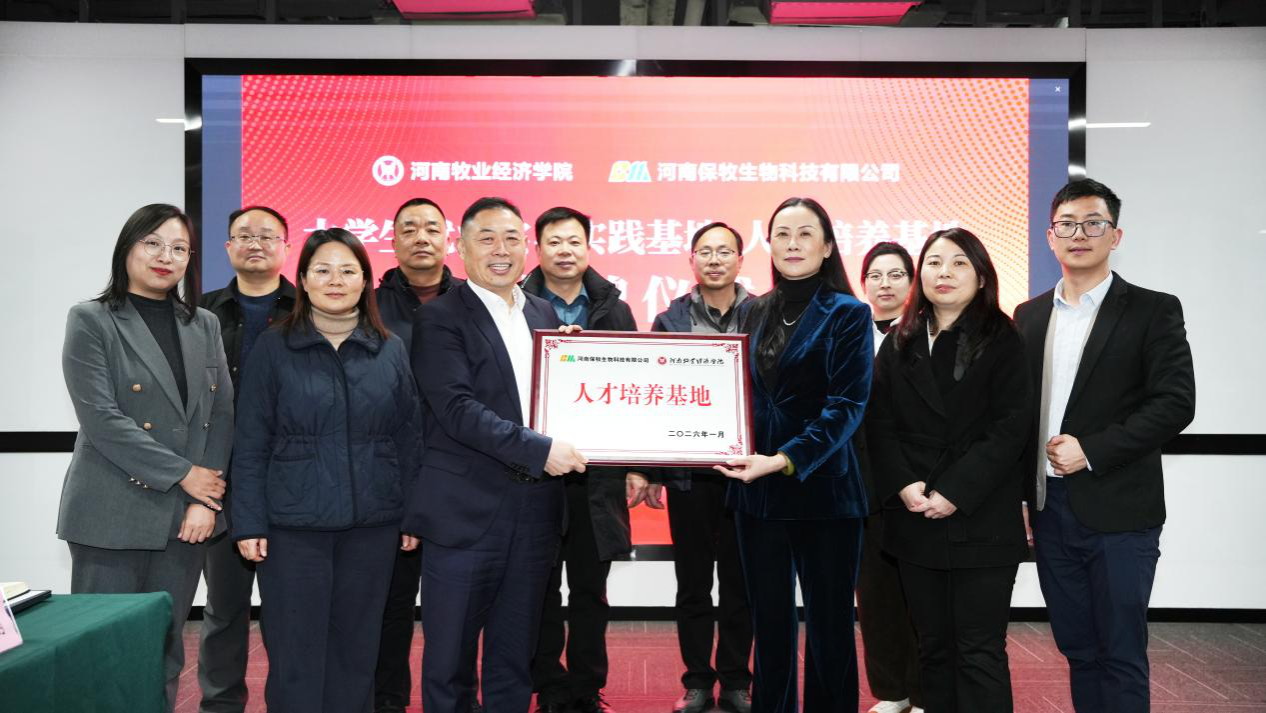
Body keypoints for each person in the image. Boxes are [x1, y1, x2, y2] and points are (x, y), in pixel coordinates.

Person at [1015, 179, 1195, 713]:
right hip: (1049, 510)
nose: (1080, 234)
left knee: (1120, 652)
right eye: (1067, 224)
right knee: (1078, 648)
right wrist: (1021, 493)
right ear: (1050, 237)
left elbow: (1175, 403)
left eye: (1093, 223)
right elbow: (1018, 416)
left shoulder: (1152, 310)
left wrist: (1091, 450)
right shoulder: (1029, 315)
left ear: (1115, 236)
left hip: (1121, 511)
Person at [406, 197, 588, 713]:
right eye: (486, 239)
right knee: (450, 662)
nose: (501, 250)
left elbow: (545, 396)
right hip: (466, 512)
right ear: (461, 249)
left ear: (527, 248)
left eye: (511, 238)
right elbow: (457, 410)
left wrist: (575, 362)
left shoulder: (542, 313)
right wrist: (540, 450)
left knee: (515, 658)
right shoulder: (439, 318)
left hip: (535, 513)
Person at [230, 228, 422, 713]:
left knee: (358, 648)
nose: (335, 280)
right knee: (295, 648)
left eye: (348, 271)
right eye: (322, 270)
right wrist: (248, 521)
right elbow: (250, 440)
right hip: (292, 527)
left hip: (373, 524)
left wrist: (414, 514)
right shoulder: (274, 347)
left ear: (365, 282)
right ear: (302, 280)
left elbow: (408, 438)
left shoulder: (389, 349)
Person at [58, 203, 233, 713]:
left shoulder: (203, 324)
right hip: (109, 512)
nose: (165, 256)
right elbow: (101, 419)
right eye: (152, 243)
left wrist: (204, 500)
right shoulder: (91, 319)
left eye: (179, 248)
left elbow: (221, 415)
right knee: (104, 651)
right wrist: (184, 475)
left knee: (164, 651)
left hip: (184, 519)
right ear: (127, 249)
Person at [716, 197, 872, 713]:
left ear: (827, 247)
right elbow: (728, 389)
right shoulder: (752, 310)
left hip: (823, 492)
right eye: (782, 234)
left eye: (805, 234)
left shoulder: (850, 313)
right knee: (769, 625)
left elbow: (847, 407)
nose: (792, 244)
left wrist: (784, 458)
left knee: (829, 627)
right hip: (757, 495)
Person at [868, 227, 1032, 713]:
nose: (945, 273)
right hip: (915, 513)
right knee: (933, 648)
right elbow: (879, 424)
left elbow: (1011, 427)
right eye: (935, 263)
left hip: (980, 516)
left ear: (981, 276)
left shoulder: (1004, 337)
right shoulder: (901, 339)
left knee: (979, 650)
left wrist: (955, 490)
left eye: (959, 263)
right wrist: (904, 484)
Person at [520, 206, 652, 713]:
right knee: (540, 588)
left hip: (599, 474)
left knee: (591, 591)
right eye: (554, 242)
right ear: (538, 249)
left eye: (574, 241)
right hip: (536, 469)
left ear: (589, 247)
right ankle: (550, 687)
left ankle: (586, 688)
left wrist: (639, 465)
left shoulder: (615, 310)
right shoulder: (518, 305)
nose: (565, 251)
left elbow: (637, 387)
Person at [197, 204, 296, 713]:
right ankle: (220, 705)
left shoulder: (307, 309)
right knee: (224, 608)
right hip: (222, 482)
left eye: (267, 235)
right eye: (244, 235)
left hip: (292, 484)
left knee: (289, 612)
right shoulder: (201, 313)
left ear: (285, 246)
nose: (255, 243)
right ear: (228, 247)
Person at [651, 222, 754, 713]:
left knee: (740, 585)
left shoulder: (764, 314)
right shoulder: (669, 320)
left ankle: (736, 680)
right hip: (688, 477)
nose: (714, 260)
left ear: (740, 260)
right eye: (705, 252)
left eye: (724, 251)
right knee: (693, 584)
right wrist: (651, 471)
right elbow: (652, 399)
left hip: (746, 474)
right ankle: (696, 681)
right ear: (691, 261)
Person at [372, 197, 466, 713]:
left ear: (448, 238)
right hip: (390, 475)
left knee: (461, 605)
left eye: (431, 227)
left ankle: (456, 700)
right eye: (409, 228)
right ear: (393, 240)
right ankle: (388, 701)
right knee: (390, 602)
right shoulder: (369, 305)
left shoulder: (473, 301)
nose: (421, 237)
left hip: (461, 472)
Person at [854, 242, 924, 713]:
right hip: (862, 485)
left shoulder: (927, 333)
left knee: (919, 597)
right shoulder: (848, 333)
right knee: (874, 597)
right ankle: (892, 692)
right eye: (875, 275)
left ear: (911, 282)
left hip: (914, 484)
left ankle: (923, 693)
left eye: (896, 274)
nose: (885, 284)